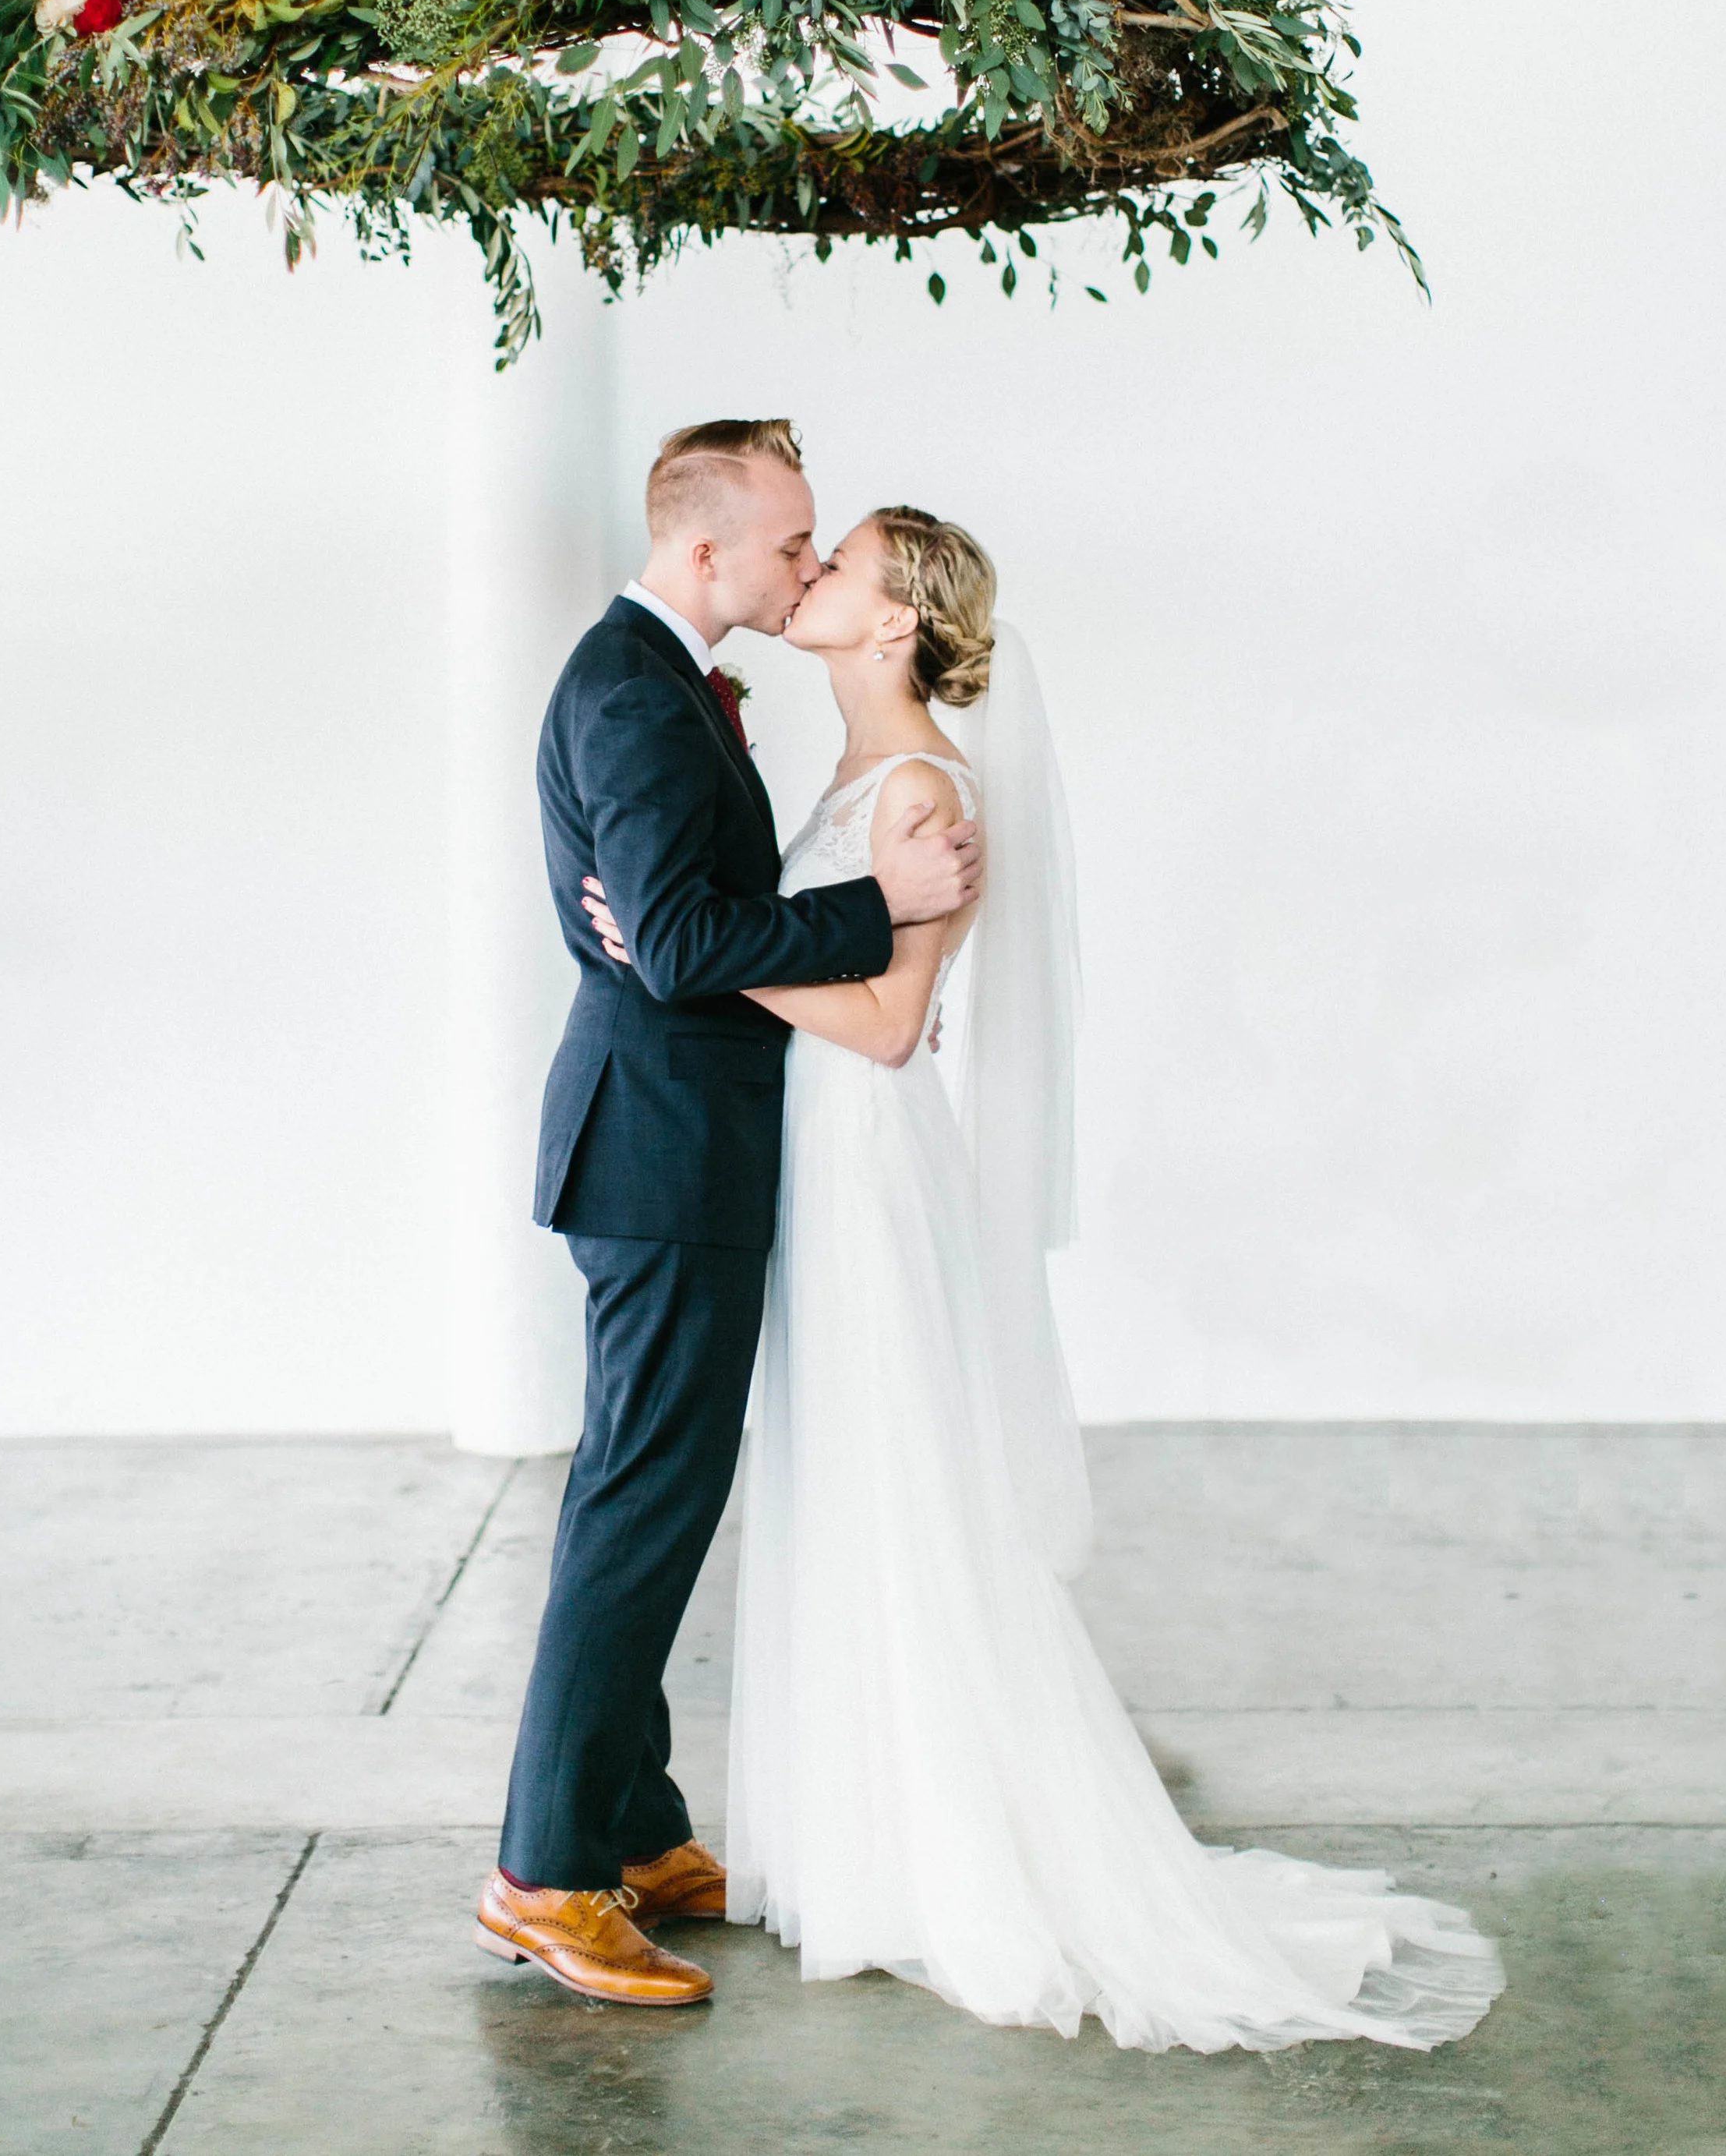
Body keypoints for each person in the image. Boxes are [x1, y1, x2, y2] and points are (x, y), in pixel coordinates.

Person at [575, 498, 1508, 2052]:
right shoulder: (857, 773)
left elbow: (880, 1024)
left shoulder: (923, 790)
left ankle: (943, 1855)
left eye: (839, 562)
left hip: (863, 1177)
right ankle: (864, 1840)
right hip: (810, 1166)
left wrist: (685, 953)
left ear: (889, 621)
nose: (807, 574)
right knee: (841, 1486)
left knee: (896, 1486)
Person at [474, 420, 980, 2007]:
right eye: (785, 543)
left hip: (675, 1149)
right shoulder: (633, 693)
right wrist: (876, 909)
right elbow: (683, 947)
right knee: (638, 1511)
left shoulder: (659, 678)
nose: (798, 565)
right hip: (663, 1155)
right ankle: (545, 1877)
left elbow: (680, 933)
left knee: (641, 1502)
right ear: (703, 553)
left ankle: (629, 1825)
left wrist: (754, 932)